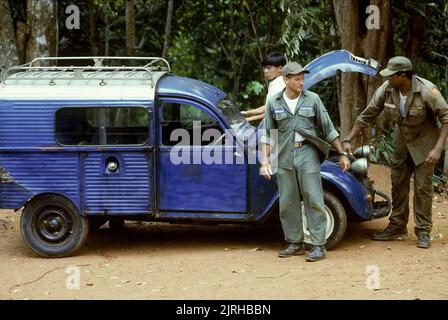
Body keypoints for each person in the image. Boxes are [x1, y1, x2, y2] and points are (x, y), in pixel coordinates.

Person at [342, 56, 448, 249]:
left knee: (422, 188)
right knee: (398, 182)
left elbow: (446, 117)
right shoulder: (388, 88)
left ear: (402, 76)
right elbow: (368, 113)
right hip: (402, 140)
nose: (387, 79)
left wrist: (438, 148)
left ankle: (423, 230)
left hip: (425, 141)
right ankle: (397, 226)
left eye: (391, 75)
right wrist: (348, 138)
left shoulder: (426, 90)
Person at [260, 62, 350, 262]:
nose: (302, 82)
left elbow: (329, 129)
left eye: (303, 78)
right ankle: (294, 242)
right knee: (287, 201)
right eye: (297, 79)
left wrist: (342, 153)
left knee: (313, 197)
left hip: (307, 154)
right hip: (284, 156)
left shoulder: (313, 99)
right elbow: (267, 135)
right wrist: (264, 161)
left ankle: (318, 245)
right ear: (286, 80)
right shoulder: (274, 102)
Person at [241, 52, 286, 122]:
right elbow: (268, 107)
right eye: (264, 68)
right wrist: (247, 113)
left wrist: (248, 119)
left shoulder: (280, 85)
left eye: (269, 68)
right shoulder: (276, 83)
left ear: (280, 69)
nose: (265, 71)